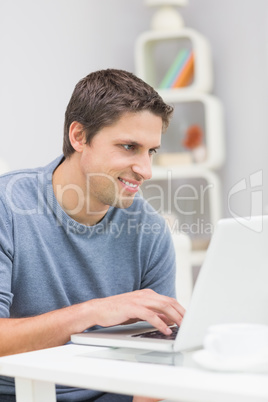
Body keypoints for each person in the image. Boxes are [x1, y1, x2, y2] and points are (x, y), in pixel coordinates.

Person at [0, 69, 185, 401]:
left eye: (151, 151)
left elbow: (158, 364)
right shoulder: (8, 206)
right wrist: (91, 312)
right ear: (79, 137)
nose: (146, 170)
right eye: (129, 146)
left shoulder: (150, 231)